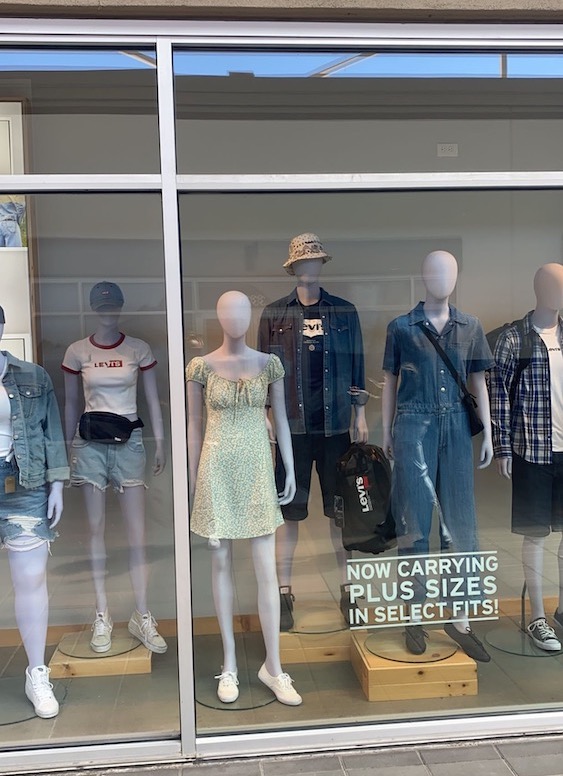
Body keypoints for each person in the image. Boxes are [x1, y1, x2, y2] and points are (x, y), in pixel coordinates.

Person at [186, 290, 302, 706]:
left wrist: (288, 466)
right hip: (215, 469)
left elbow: (282, 419)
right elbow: (193, 428)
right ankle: (230, 663)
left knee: (266, 571)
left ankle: (274, 665)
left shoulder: (268, 364)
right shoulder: (200, 367)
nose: (235, 318)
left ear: (250, 316)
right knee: (221, 566)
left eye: (242, 311)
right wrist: (193, 483)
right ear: (218, 317)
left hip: (256, 469)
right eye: (227, 311)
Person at [382, 250, 494, 662]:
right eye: (434, 270)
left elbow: (478, 381)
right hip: (413, 423)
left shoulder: (471, 325)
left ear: (457, 276)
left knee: (460, 519)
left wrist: (488, 433)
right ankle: (414, 614)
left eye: (449, 271)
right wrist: (388, 431)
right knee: (415, 521)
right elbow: (390, 382)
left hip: (457, 427)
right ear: (423, 276)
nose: (441, 278)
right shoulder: (401, 327)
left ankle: (460, 618)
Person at [257, 233, 368, 629]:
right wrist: (267, 413)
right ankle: (284, 592)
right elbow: (264, 373)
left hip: (336, 425)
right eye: (302, 262)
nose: (308, 267)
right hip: (293, 429)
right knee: (288, 512)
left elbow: (357, 367)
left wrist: (359, 414)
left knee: (342, 513)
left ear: (322, 265)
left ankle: (349, 589)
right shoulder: (274, 315)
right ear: (293, 268)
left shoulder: (344, 312)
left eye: (314, 260)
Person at [62, 281, 167, 655]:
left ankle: (141, 613)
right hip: (89, 444)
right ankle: (102, 613)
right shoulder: (77, 352)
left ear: (120, 307)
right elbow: (71, 403)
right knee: (95, 530)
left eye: (113, 305)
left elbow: (151, 399)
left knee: (138, 534)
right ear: (93, 308)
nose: (108, 311)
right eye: (102, 305)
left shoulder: (138, 348)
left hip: (130, 442)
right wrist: (67, 449)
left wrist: (161, 441)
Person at [490, 262, 563, 652]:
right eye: (554, 284)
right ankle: (537, 616)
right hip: (532, 449)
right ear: (538, 289)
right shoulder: (514, 338)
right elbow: (498, 396)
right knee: (535, 535)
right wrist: (503, 447)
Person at [0, 304, 68, 718]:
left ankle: (36, 672)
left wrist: (57, 482)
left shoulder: (32, 376)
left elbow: (52, 429)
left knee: (31, 578)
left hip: (25, 483)